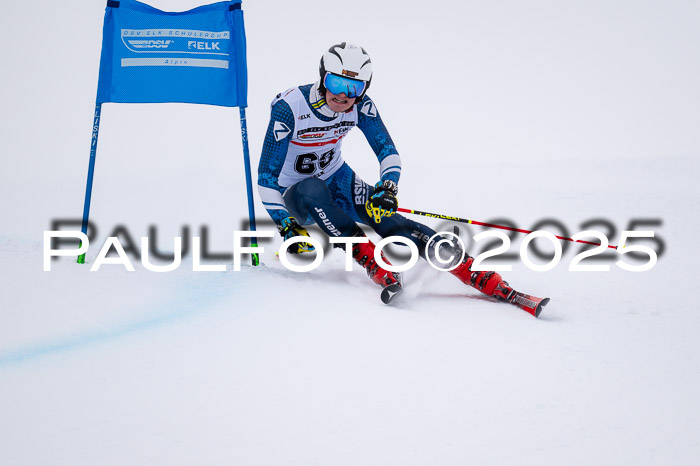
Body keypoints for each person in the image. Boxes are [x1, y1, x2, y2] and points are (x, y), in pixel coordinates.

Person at [257, 42, 538, 312]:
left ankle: (478, 275)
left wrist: (387, 188)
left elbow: (387, 151)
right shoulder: (290, 106)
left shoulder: (361, 105)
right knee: (311, 187)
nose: (343, 96)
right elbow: (266, 177)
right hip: (294, 195)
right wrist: (285, 224)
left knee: (387, 218)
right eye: (336, 83)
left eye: (354, 87)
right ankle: (375, 265)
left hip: (337, 178)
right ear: (322, 78)